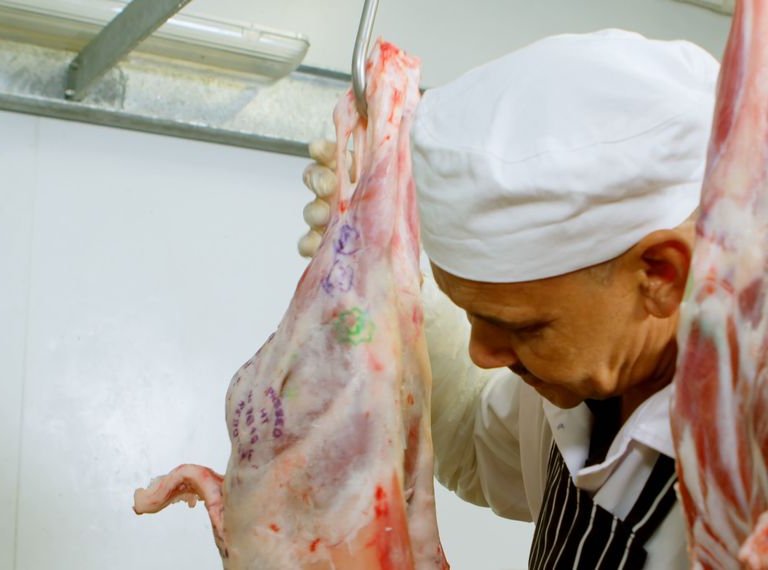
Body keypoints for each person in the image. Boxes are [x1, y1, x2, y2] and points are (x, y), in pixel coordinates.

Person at [300, 29, 718, 569]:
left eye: (521, 326)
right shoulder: (588, 367)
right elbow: (479, 442)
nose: (482, 353)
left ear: (661, 274)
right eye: (472, 313)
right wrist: (392, 290)